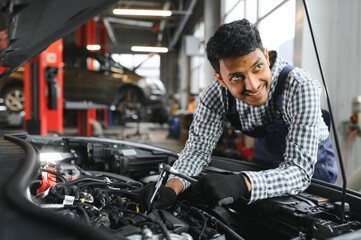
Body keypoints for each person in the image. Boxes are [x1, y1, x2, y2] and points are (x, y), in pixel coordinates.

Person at [140, 19, 338, 211]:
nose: (252, 85)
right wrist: (171, 187)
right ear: (221, 79)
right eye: (236, 76)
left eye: (258, 67)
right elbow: (197, 151)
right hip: (266, 165)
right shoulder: (216, 95)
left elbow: (300, 171)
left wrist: (243, 182)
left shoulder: (300, 86)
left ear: (267, 57)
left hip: (315, 174)